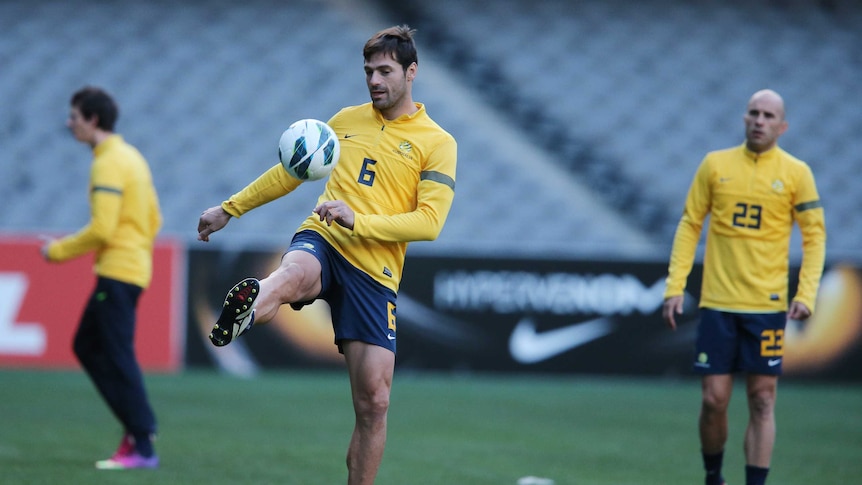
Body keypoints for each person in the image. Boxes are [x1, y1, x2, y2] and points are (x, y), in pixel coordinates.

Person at [196, 25, 456, 485]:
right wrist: (228, 209)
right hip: (325, 238)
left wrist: (361, 221)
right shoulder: (344, 121)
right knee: (294, 272)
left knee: (374, 403)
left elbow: (429, 223)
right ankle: (251, 306)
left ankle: (255, 305)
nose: (374, 80)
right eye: (368, 71)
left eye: (384, 71)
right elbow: (289, 173)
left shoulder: (438, 143)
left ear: (411, 72)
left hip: (375, 270)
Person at [662, 89, 826, 485]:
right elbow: (689, 224)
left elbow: (815, 236)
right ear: (743, 117)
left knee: (763, 399)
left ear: (782, 126)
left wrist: (805, 294)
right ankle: (714, 477)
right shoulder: (715, 165)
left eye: (769, 115)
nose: (759, 120)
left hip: (767, 305)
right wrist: (675, 285)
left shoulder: (796, 173)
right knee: (714, 399)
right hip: (719, 303)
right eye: (754, 112)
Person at [41, 86, 162, 470]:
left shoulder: (107, 162)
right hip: (133, 268)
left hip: (118, 271)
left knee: (111, 352)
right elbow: (155, 219)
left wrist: (57, 251)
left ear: (93, 120)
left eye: (74, 116)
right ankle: (139, 433)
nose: (69, 123)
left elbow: (103, 229)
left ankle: (142, 440)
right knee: (92, 346)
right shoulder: (133, 158)